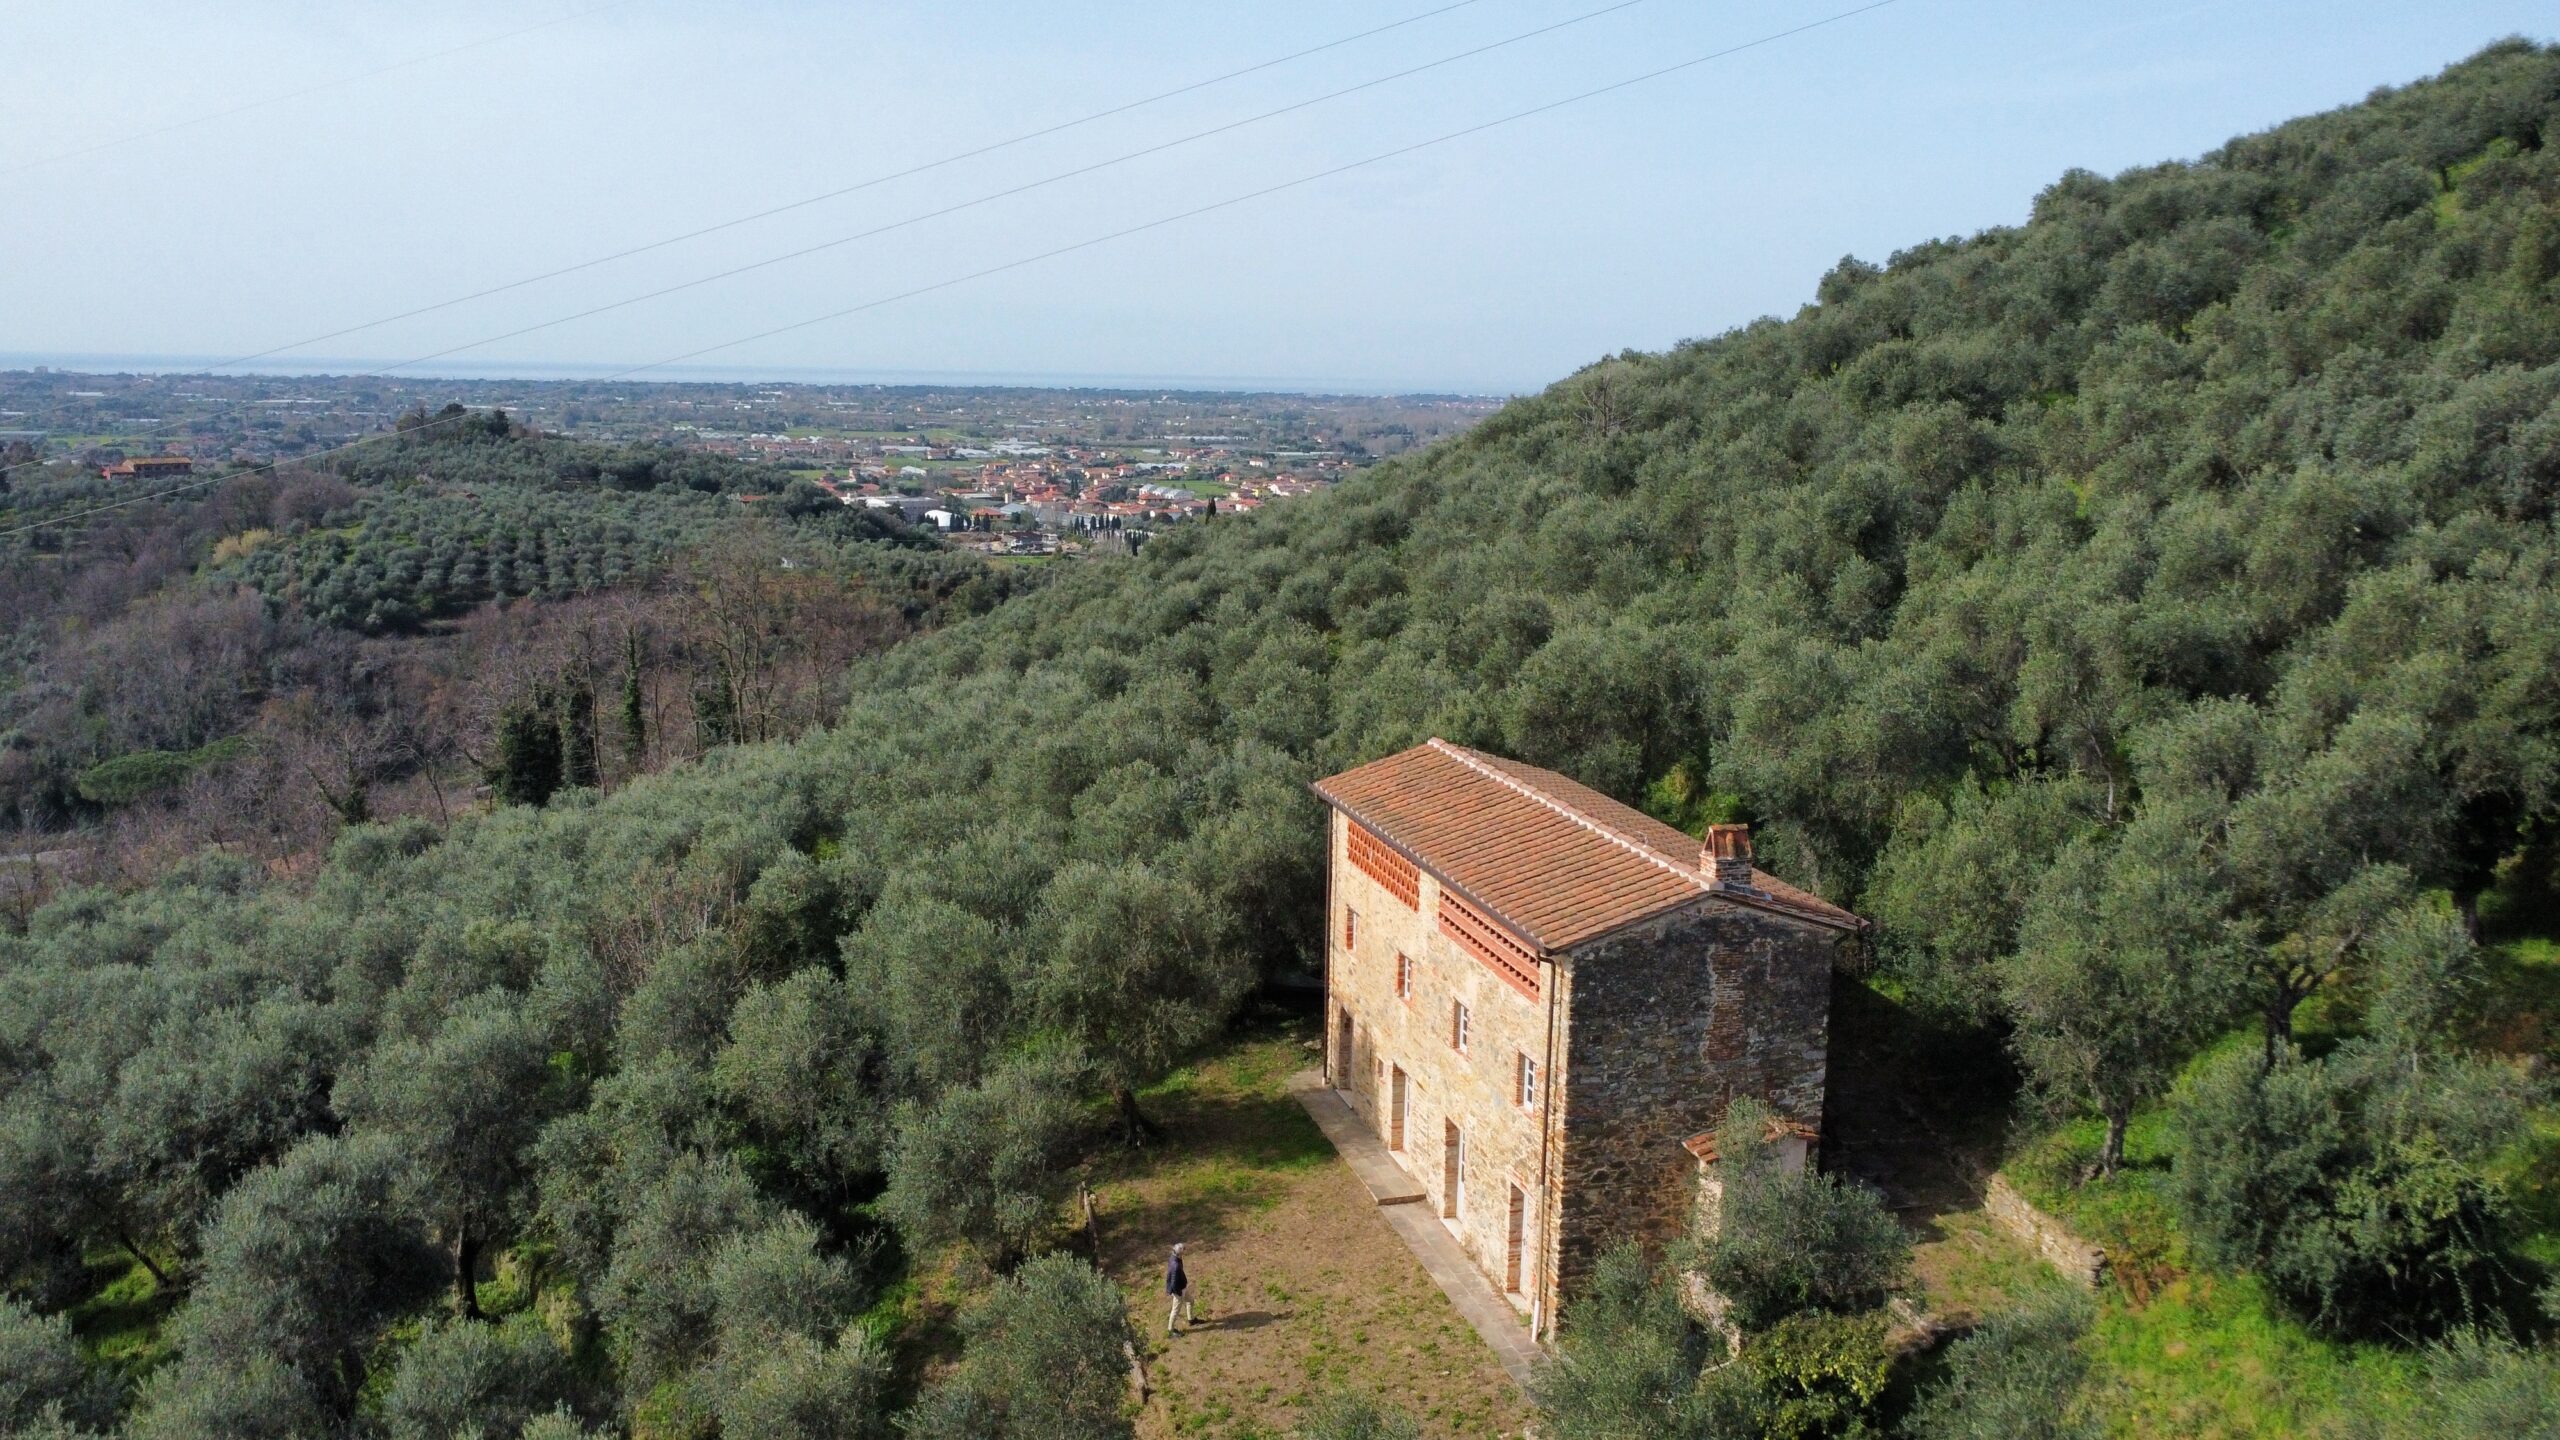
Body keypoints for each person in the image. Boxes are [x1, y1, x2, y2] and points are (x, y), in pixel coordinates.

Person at [1165, 1242, 1195, 1334]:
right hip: (1179, 1291)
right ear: (1179, 1253)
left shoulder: (1174, 1258)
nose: (1185, 1252)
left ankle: (1191, 1319)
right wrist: (1179, 1293)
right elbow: (1174, 1283)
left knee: (1190, 1301)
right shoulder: (1176, 1265)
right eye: (1183, 1250)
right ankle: (1170, 1330)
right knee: (1175, 1311)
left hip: (1183, 1288)